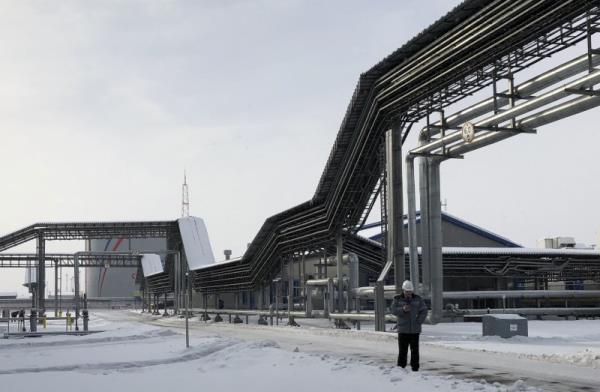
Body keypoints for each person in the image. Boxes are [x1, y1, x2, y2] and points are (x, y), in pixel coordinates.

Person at [391, 280, 428, 371]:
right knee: (403, 351)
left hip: (415, 330)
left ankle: (415, 368)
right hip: (403, 329)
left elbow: (424, 310)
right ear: (403, 290)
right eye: (407, 291)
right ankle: (401, 367)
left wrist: (419, 321)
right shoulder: (397, 299)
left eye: (410, 291)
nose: (408, 293)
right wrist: (402, 309)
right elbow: (393, 310)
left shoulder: (418, 299)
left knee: (415, 351)